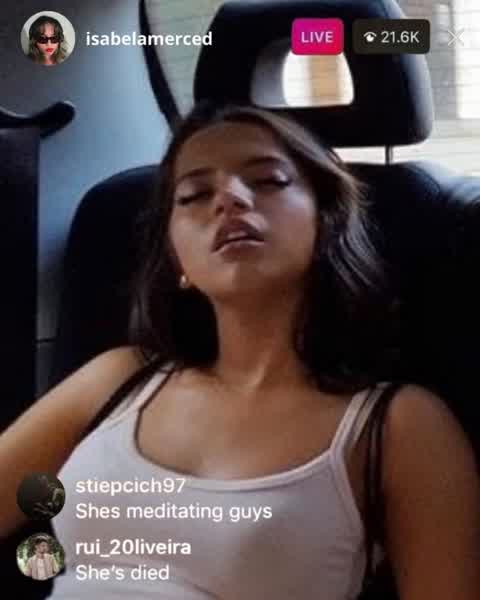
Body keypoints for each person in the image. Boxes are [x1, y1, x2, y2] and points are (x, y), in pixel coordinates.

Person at [0, 103, 479, 599]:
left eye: (269, 181)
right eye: (194, 195)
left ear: (326, 220)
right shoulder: (116, 381)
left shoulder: (397, 425)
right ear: (177, 257)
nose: (229, 198)